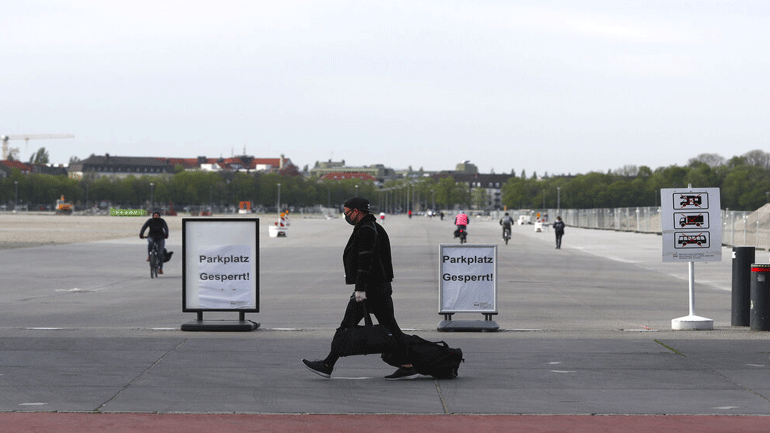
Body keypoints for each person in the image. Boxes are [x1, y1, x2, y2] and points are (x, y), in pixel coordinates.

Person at [302, 197, 417, 380]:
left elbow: (365, 262)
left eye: (347, 212)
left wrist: (360, 289)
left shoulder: (366, 230)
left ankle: (327, 365)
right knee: (391, 327)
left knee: (346, 327)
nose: (346, 216)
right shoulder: (376, 228)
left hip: (370, 290)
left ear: (357, 211)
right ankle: (407, 365)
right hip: (380, 287)